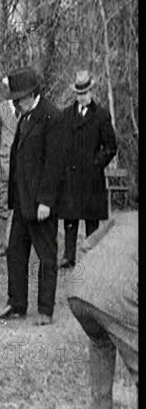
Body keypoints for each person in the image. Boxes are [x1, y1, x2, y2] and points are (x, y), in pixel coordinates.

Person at [0, 66, 64, 326]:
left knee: (46, 256)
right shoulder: (25, 117)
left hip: (41, 203)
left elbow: (54, 164)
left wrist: (46, 200)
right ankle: (16, 303)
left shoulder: (52, 117)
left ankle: (46, 309)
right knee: (16, 254)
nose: (15, 102)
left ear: (32, 94)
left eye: (18, 98)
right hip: (22, 200)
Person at [67, 213, 138, 409]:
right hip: (115, 295)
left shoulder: (123, 219)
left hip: (79, 289)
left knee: (100, 341)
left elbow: (86, 246)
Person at [58, 70, 117, 269]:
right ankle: (68, 256)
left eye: (85, 93)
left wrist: (96, 163)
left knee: (92, 219)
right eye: (79, 94)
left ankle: (91, 257)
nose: (82, 97)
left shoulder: (101, 115)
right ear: (75, 94)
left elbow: (111, 146)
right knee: (70, 218)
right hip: (71, 176)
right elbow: (61, 144)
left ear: (91, 92)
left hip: (92, 176)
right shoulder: (66, 115)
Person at [0, 81, 20, 257]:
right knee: (2, 204)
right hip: (5, 165)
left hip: (23, 166)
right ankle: (3, 243)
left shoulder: (26, 108)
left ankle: (19, 243)